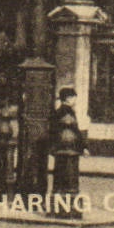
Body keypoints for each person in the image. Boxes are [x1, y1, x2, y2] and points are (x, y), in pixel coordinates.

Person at [49, 87, 83, 218]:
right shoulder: (68, 113)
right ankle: (68, 205)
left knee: (59, 177)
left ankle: (57, 202)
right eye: (74, 98)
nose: (75, 100)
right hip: (69, 148)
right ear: (68, 98)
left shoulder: (57, 111)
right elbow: (76, 130)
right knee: (69, 178)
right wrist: (83, 146)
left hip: (59, 148)